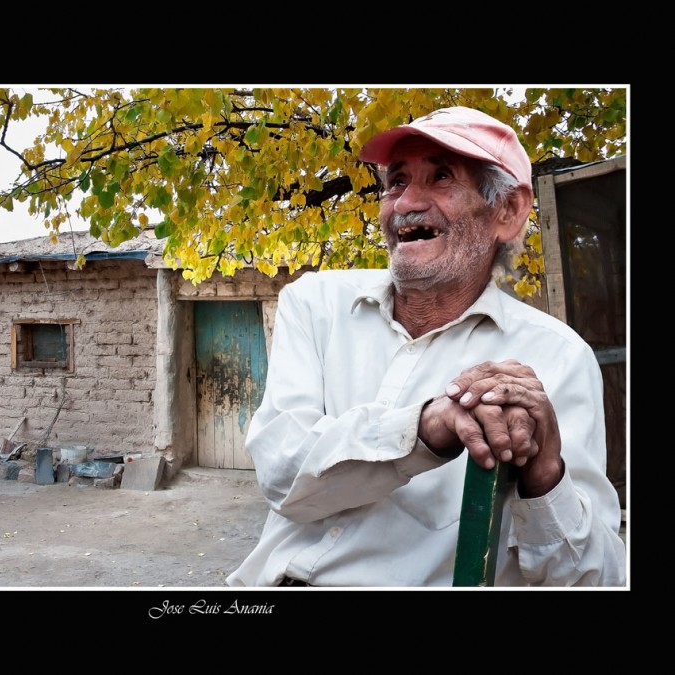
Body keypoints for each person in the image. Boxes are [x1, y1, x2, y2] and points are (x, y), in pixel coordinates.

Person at [226, 106, 626, 587]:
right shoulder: (315, 304)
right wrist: (423, 429)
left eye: (441, 177)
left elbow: (594, 579)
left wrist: (546, 477)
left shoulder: (559, 358)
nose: (406, 204)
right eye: (395, 182)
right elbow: (281, 475)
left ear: (508, 210)